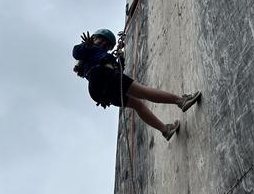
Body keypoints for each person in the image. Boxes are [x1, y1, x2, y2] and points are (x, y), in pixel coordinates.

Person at [73, 28, 201, 141]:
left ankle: (165, 130)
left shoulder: (98, 56)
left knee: (138, 105)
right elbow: (76, 52)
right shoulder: (90, 50)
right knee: (144, 92)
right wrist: (87, 45)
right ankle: (181, 101)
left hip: (99, 92)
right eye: (102, 40)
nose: (103, 44)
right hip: (104, 76)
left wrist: (120, 58)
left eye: (107, 44)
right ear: (94, 38)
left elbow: (118, 70)